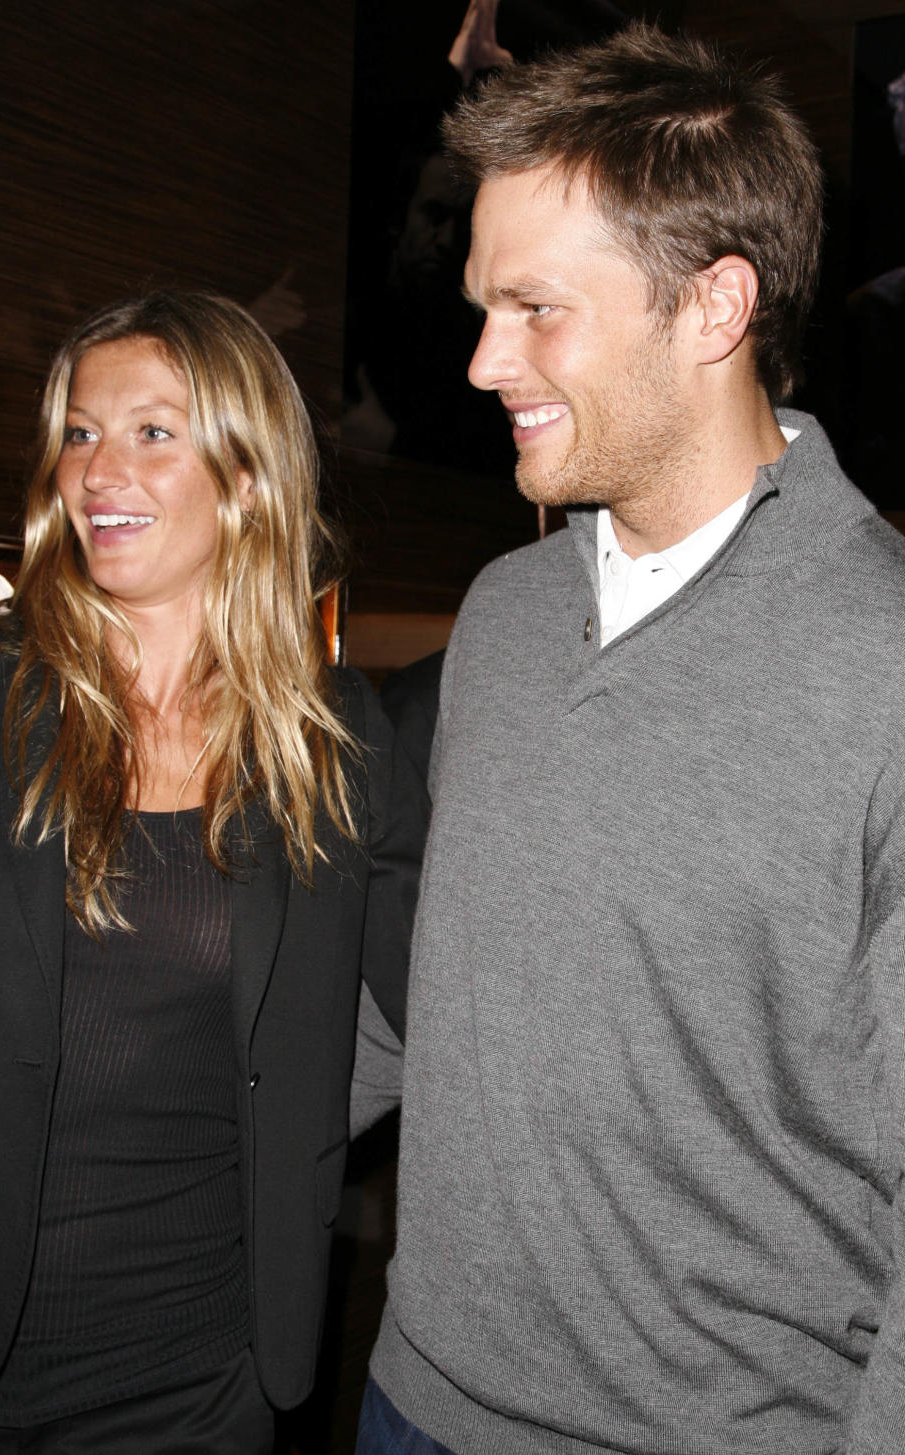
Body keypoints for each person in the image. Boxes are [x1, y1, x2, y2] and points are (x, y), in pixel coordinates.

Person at [356, 23, 905, 1455]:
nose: (484, 361)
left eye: (535, 307)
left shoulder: (889, 662)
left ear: (713, 305)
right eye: (483, 306)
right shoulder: (505, 611)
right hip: (410, 1396)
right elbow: (442, 989)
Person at [0, 291, 426, 1452]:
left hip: (205, 1378)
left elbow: (447, 1017)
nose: (100, 471)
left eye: (153, 433)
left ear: (249, 475)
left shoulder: (337, 746)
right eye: (79, 432)